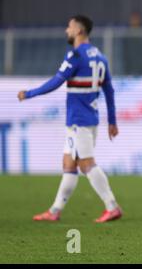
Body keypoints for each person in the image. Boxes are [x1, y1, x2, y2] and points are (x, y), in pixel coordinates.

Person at [17, 15, 122, 223]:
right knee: (69, 164)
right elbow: (109, 91)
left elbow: (57, 81)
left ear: (79, 31)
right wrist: (112, 121)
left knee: (86, 165)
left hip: (78, 121)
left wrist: (29, 94)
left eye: (70, 27)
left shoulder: (75, 56)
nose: (67, 30)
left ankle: (112, 206)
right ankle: (55, 211)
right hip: (90, 119)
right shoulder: (101, 57)